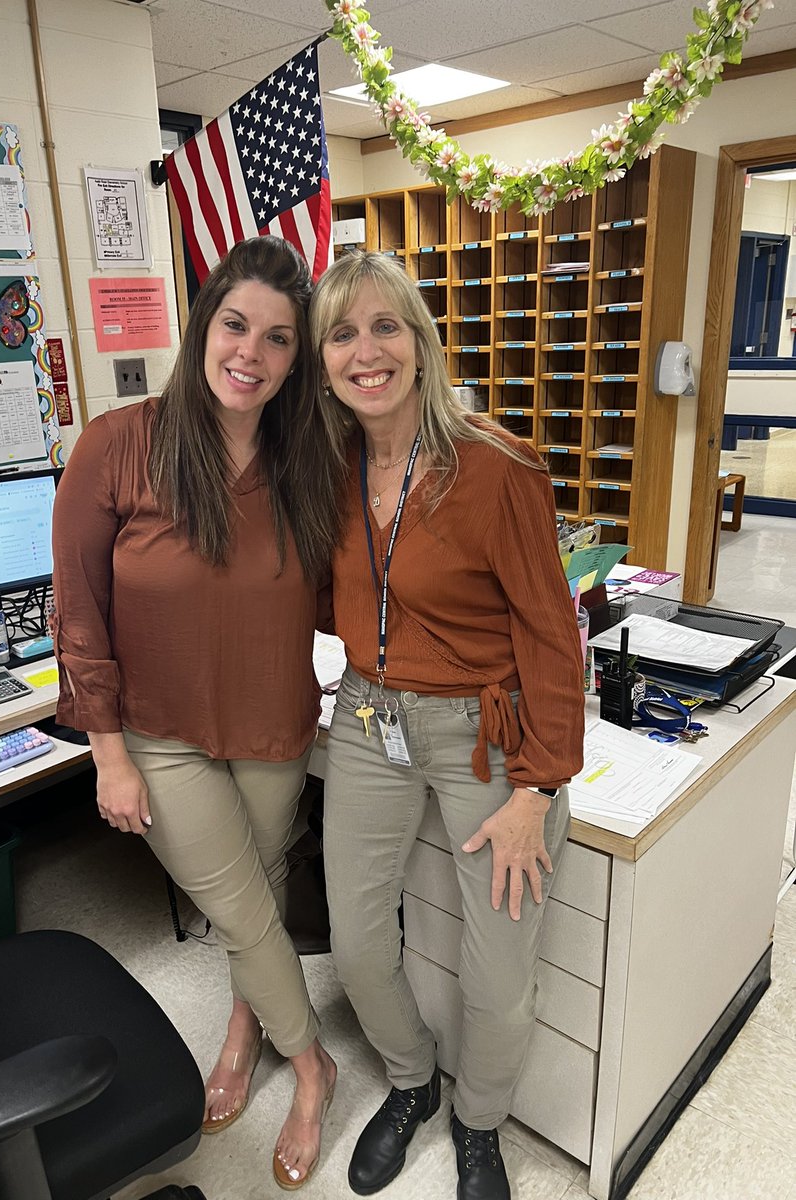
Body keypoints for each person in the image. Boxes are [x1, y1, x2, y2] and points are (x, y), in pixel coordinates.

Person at [51, 236, 341, 1191]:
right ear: (203, 322)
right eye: (234, 325)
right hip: (160, 737)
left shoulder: (307, 461)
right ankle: (310, 1067)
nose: (249, 354)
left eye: (277, 339)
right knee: (243, 911)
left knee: (249, 900)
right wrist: (109, 755)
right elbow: (79, 609)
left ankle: (241, 1028)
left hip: (274, 726)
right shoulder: (117, 443)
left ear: (297, 358)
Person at [309, 251, 585, 1200]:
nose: (366, 351)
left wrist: (537, 786)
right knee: (352, 938)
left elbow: (555, 636)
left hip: (487, 733)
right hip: (366, 713)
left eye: (386, 326)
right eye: (342, 334)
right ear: (324, 361)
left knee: (497, 971)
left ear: (420, 343)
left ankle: (479, 1124)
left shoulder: (495, 465)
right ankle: (412, 1080)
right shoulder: (330, 467)